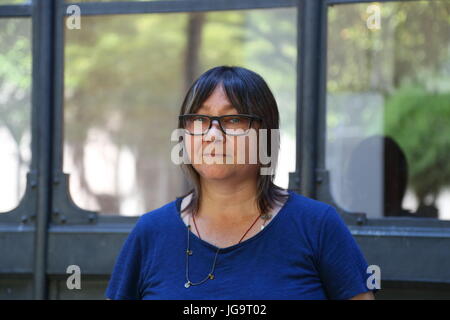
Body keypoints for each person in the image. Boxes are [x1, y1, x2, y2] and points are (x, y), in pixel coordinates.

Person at [105, 66, 376, 300]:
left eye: (233, 119)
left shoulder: (317, 226)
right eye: (199, 119)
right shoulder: (151, 232)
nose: (213, 134)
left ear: (267, 136)